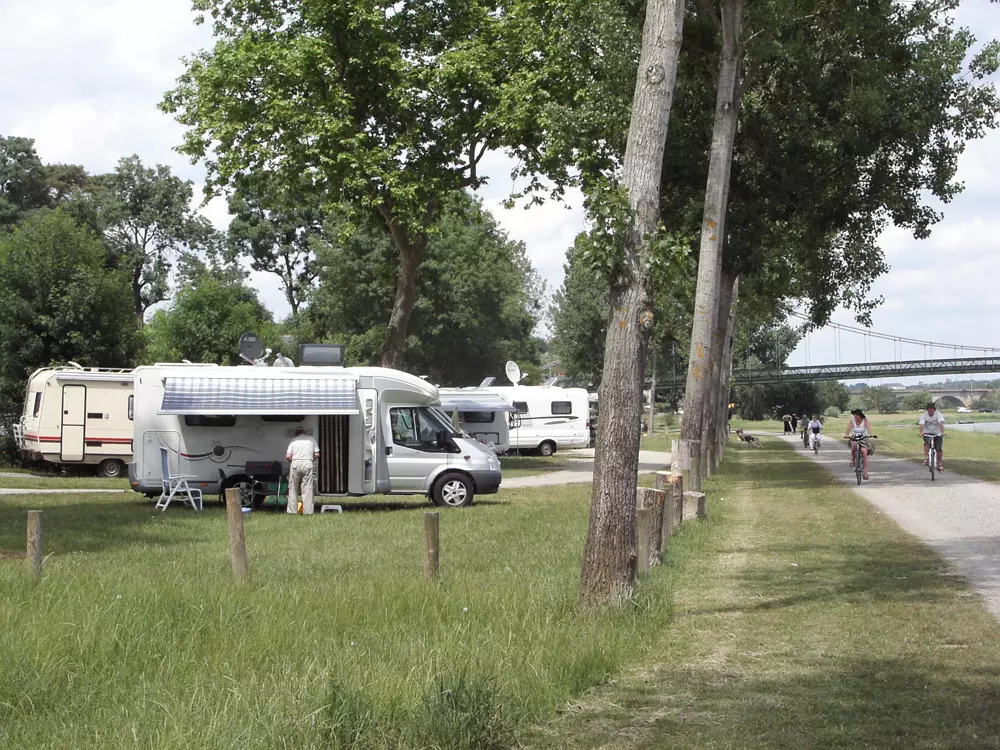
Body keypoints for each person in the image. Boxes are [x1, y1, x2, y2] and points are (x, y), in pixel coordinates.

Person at [285, 426, 320, 515]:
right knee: (307, 489)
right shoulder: (311, 439)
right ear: (304, 432)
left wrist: (292, 462)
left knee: (293, 488)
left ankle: (292, 511)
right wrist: (310, 460)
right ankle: (307, 511)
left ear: (296, 433)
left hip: (295, 463)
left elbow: (288, 456)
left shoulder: (293, 440)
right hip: (307, 463)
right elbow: (317, 454)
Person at [843, 408, 873, 480]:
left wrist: (870, 434)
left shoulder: (865, 420)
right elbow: (848, 430)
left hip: (863, 439)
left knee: (864, 451)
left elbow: (869, 429)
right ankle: (853, 459)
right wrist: (847, 435)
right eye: (854, 415)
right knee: (854, 445)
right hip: (854, 438)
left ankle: (865, 473)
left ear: (860, 415)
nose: (855, 417)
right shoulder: (852, 421)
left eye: (857, 415)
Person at [919, 402, 946, 472]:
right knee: (927, 443)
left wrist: (942, 432)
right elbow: (921, 424)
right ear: (927, 410)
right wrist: (921, 432)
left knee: (939, 448)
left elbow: (940, 423)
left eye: (932, 410)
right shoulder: (924, 415)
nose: (930, 412)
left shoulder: (938, 414)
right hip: (927, 433)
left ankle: (940, 463)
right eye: (929, 410)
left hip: (937, 433)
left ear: (934, 410)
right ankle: (926, 458)